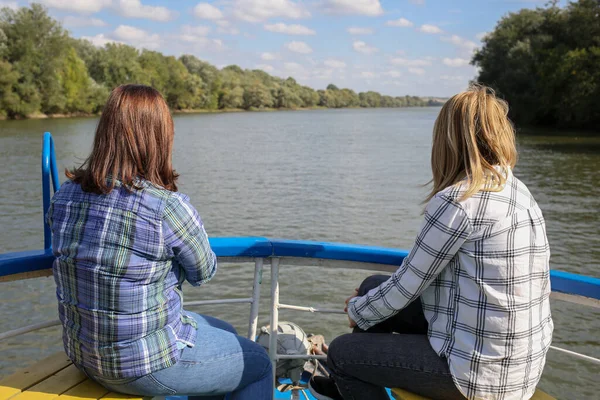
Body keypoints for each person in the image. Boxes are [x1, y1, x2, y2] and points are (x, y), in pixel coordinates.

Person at [309, 85, 553, 400]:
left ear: (447, 141)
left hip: (479, 376)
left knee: (342, 353)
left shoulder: (459, 200)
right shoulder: (515, 189)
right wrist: (368, 302)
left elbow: (408, 284)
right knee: (373, 283)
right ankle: (350, 385)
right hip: (520, 366)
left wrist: (359, 310)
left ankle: (350, 375)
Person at [46, 84, 272, 400]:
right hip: (141, 369)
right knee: (259, 363)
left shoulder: (64, 196)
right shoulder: (166, 207)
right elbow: (203, 273)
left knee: (226, 332)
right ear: (159, 138)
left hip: (84, 355)